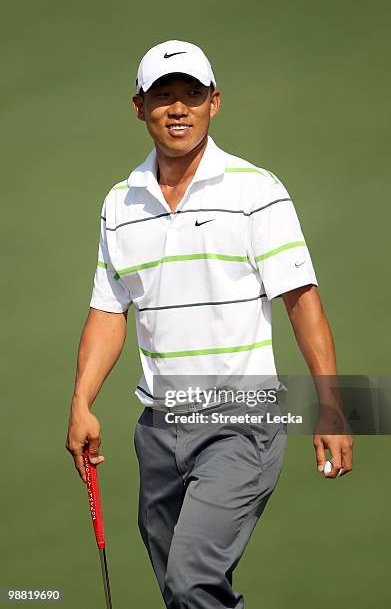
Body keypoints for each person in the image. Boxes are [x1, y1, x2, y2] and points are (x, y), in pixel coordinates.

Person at [66, 39, 353, 608]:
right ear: (138, 107)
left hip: (241, 420)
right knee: (183, 598)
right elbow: (108, 310)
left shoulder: (257, 192)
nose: (178, 108)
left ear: (214, 102)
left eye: (192, 95)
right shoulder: (120, 204)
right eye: (163, 96)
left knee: (192, 581)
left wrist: (332, 405)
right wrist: (81, 402)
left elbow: (302, 302)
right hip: (158, 426)